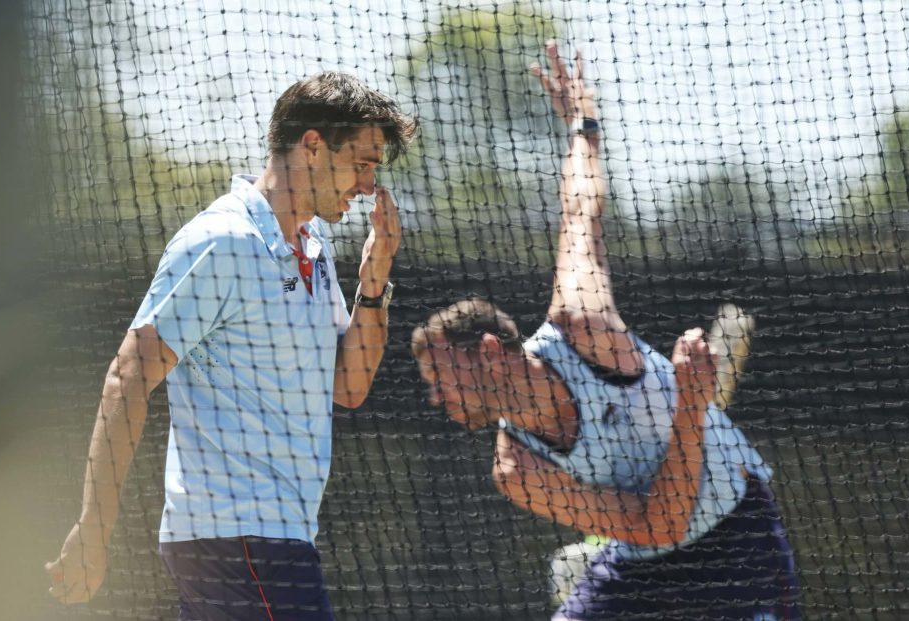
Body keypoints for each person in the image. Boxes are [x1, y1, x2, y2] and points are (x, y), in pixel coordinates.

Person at [411, 41, 800, 620]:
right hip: (641, 562)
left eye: (442, 378)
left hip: (734, 546)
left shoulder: (583, 326)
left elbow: (580, 215)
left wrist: (583, 125)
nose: (436, 397)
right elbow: (655, 524)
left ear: (491, 352)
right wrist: (690, 409)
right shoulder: (517, 469)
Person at [45, 71, 416, 620]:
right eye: (361, 163)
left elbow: (348, 386)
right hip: (242, 541)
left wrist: (375, 280)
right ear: (312, 146)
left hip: (269, 542)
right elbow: (128, 377)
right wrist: (94, 529)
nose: (367, 185)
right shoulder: (223, 241)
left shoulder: (309, 249)